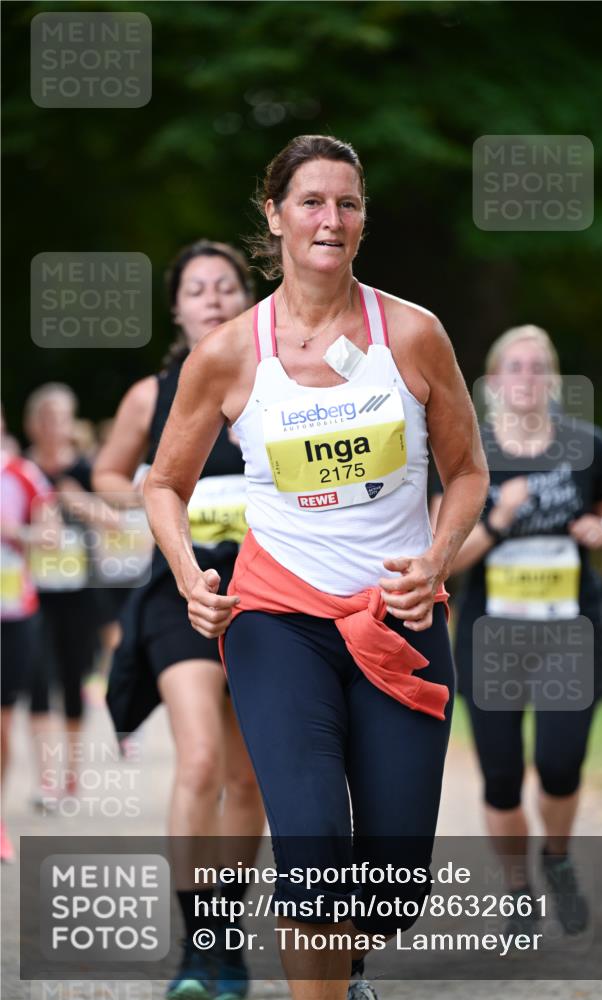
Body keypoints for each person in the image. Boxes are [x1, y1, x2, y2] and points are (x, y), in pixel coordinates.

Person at [143, 135, 489, 1000]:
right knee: (308, 848)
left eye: (346, 203)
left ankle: (348, 964)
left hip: (397, 619)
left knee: (393, 882)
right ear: (274, 215)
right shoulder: (226, 352)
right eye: (310, 201)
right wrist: (190, 577)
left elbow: (469, 474)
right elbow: (163, 485)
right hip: (275, 622)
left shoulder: (412, 335)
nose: (329, 219)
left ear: (362, 219)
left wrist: (434, 560)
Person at [94, 239, 266, 1000]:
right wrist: (156, 492)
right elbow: (103, 472)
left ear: (246, 296)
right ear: (177, 307)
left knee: (247, 777)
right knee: (198, 761)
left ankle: (227, 942)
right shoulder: (150, 394)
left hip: (266, 595)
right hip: (179, 593)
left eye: (226, 286)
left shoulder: (279, 384)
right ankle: (195, 949)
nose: (213, 299)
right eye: (197, 289)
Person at [440, 324, 602, 935]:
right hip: (493, 635)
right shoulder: (473, 454)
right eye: (513, 367)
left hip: (570, 628)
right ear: (492, 382)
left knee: (561, 760)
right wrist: (499, 520)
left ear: (552, 379)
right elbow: (446, 557)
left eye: (537, 367)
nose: (525, 378)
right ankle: (519, 887)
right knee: (501, 775)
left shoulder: (585, 443)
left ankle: (559, 857)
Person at [23, 383, 114, 802]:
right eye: (45, 418)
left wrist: (80, 504)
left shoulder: (85, 470)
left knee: (75, 677)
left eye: (59, 418)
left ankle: (71, 774)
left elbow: (115, 522)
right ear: (32, 423)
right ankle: (46, 780)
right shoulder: (22, 470)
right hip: (31, 593)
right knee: (39, 681)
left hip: (79, 591)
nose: (52, 426)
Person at [0, 408, 54, 860]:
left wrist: (15, 532)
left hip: (13, 613)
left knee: (3, 722)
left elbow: (53, 535)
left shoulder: (22, 474)